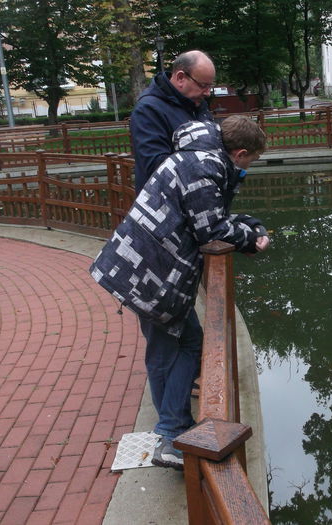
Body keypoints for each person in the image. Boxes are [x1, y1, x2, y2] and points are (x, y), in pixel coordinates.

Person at [90, 115, 269, 470]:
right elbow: (211, 228)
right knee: (191, 344)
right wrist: (252, 240)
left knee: (161, 350)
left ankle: (169, 429)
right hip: (152, 275)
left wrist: (245, 223)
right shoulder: (206, 167)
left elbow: (207, 213)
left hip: (134, 267)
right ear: (241, 152)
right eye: (252, 160)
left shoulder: (195, 155)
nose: (250, 167)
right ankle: (171, 434)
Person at [130, 49, 216, 194]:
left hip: (198, 199)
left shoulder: (197, 104)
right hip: (164, 207)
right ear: (181, 77)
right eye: (203, 85)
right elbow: (156, 166)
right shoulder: (148, 110)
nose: (207, 93)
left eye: (210, 86)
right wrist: (209, 166)